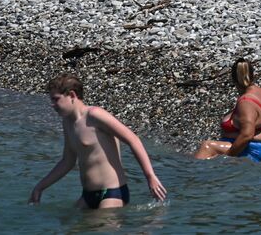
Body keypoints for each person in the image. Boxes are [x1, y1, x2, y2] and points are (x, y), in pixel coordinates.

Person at [30, 73, 166, 209]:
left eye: (56, 99)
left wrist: (150, 176)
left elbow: (133, 140)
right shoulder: (67, 123)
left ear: (72, 95)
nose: (52, 105)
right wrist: (40, 187)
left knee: (100, 228)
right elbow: (67, 161)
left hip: (111, 193)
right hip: (87, 195)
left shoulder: (95, 115)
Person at [193, 59, 261, 162]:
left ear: (233, 79)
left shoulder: (246, 102)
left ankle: (194, 176)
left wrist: (227, 158)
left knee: (207, 146)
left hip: (257, 150)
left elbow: (246, 135)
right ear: (253, 75)